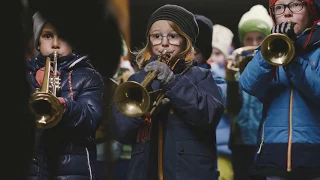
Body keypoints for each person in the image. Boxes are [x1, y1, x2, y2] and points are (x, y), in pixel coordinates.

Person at [112, 4, 225, 180]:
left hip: (190, 173)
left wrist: (172, 82)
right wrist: (141, 108)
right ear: (149, 40)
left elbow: (208, 115)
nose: (164, 43)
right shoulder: (137, 80)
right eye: (156, 36)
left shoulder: (200, 76)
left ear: (186, 41)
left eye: (173, 36)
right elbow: (121, 132)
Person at [239, 0, 320, 179]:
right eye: (280, 7)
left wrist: (293, 61)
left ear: (311, 10)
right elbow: (248, 84)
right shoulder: (270, 48)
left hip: (314, 154)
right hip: (274, 153)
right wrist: (268, 53)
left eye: (296, 5)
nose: (287, 13)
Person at [28, 11, 104, 179]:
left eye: (62, 36)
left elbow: (92, 118)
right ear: (38, 43)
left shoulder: (88, 76)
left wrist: (64, 105)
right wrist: (34, 88)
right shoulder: (24, 75)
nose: (55, 44)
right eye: (48, 36)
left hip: (75, 170)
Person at [225, 4, 273, 180]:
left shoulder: (275, 67)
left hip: (266, 140)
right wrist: (230, 79)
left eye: (260, 38)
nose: (254, 44)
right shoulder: (236, 66)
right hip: (241, 142)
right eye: (248, 39)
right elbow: (232, 108)